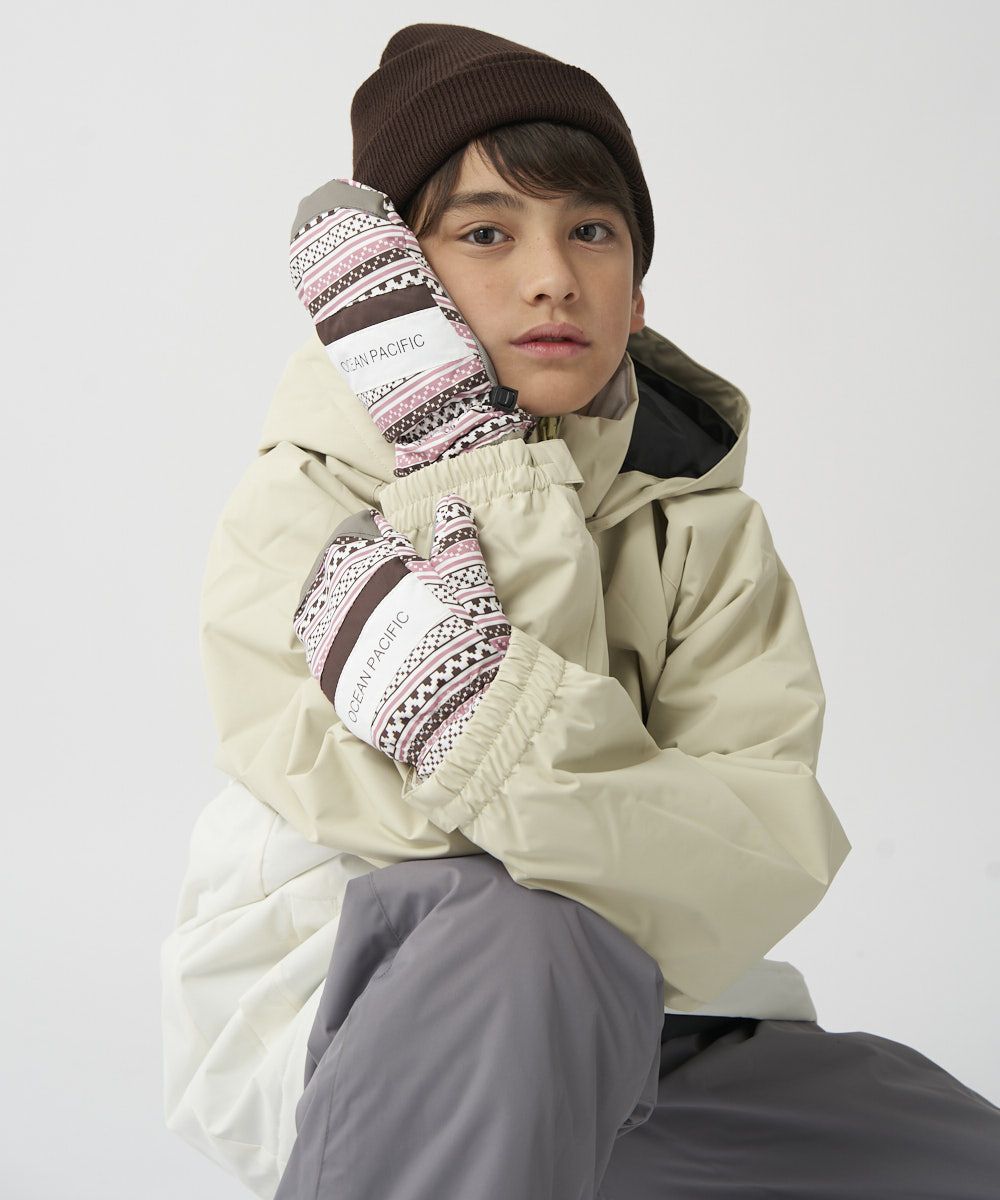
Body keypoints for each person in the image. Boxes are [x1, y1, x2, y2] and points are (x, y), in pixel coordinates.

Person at [160, 22, 1000, 1200]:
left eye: (591, 231)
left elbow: (762, 859)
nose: (552, 275)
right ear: (405, 280)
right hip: (345, 1008)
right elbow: (461, 858)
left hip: (660, 1020)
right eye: (486, 233)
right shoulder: (305, 500)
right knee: (525, 927)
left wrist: (473, 717)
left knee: (953, 1158)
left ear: (637, 293)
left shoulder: (704, 532)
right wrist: (478, 466)